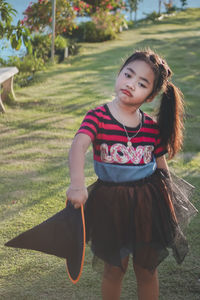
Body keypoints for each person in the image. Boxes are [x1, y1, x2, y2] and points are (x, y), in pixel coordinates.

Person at [66, 49, 190, 300]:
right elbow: (78, 146)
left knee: (146, 270)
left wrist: (170, 204)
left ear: (150, 96)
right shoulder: (98, 117)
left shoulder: (151, 128)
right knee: (114, 269)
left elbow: (161, 167)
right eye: (128, 75)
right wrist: (77, 184)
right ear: (119, 74)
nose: (131, 84)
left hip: (147, 204)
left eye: (142, 83)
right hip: (110, 204)